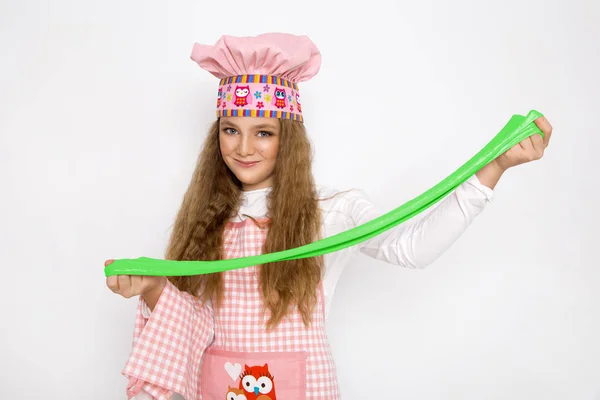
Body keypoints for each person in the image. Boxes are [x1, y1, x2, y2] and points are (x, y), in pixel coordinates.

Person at [105, 32, 553, 400]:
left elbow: (412, 248)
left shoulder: (331, 211)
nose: (243, 148)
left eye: (263, 132)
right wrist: (153, 289)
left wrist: (493, 168)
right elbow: (194, 325)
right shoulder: (202, 219)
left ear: (289, 137)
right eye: (230, 130)